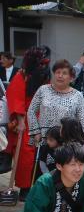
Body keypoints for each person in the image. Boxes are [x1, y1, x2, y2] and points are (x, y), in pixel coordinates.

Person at [6, 46, 51, 200]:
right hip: (25, 120)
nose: (44, 67)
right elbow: (15, 98)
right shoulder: (21, 76)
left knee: (44, 153)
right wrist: (19, 121)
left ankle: (41, 186)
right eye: (41, 63)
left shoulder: (45, 76)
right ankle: (25, 188)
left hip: (43, 118)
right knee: (26, 155)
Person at [28, 59, 84, 144]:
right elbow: (31, 111)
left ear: (71, 78)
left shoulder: (77, 95)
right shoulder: (43, 90)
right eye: (58, 72)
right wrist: (36, 132)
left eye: (64, 73)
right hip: (45, 140)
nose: (60, 76)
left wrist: (73, 135)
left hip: (66, 142)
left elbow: (82, 120)